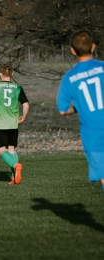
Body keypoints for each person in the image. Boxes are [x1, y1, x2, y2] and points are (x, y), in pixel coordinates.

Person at [57, 29, 104, 191]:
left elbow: (62, 110)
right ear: (93, 47)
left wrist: (77, 108)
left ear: (72, 50)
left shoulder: (69, 78)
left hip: (93, 135)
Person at [0, 64, 29, 185]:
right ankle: (14, 177)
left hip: (0, 123)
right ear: (12, 74)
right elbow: (25, 105)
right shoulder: (18, 87)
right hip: (13, 123)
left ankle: (16, 165)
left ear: (0, 74)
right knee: (11, 149)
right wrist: (23, 116)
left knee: (1, 150)